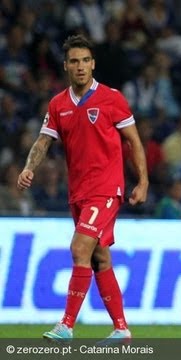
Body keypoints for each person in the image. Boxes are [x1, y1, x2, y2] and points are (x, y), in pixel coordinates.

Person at [17, 35, 148, 344]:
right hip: (78, 192)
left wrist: (142, 181)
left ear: (93, 63)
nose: (80, 66)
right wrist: (28, 167)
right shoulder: (58, 103)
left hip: (106, 188)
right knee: (99, 257)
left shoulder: (112, 98)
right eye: (74, 61)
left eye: (85, 60)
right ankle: (121, 328)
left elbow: (134, 142)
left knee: (79, 249)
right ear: (66, 66)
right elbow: (43, 141)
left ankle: (66, 325)